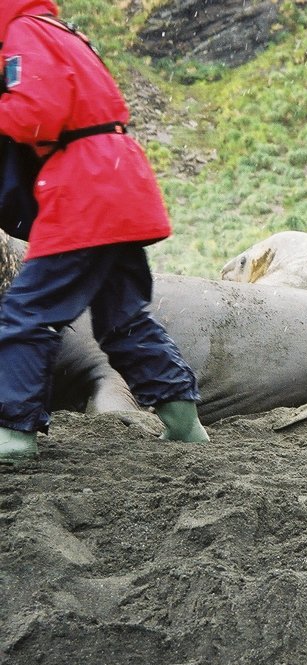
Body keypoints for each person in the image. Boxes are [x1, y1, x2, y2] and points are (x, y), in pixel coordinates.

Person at [0, 0, 208, 464]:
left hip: (83, 188)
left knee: (27, 312)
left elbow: (39, 114)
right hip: (119, 180)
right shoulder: (60, 31)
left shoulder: (23, 34)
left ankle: (12, 434)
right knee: (122, 317)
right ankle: (184, 424)